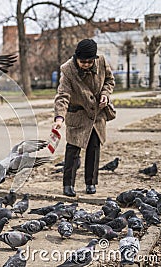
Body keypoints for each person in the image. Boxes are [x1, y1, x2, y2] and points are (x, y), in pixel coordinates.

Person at [53, 38, 115, 197]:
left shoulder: (101, 62)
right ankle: (68, 184)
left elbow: (109, 80)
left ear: (94, 58)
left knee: (94, 148)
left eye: (89, 61)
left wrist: (105, 95)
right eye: (83, 61)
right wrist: (59, 117)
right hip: (78, 115)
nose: (86, 64)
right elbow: (62, 95)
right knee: (72, 151)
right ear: (76, 58)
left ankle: (91, 183)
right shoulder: (68, 70)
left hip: (96, 114)